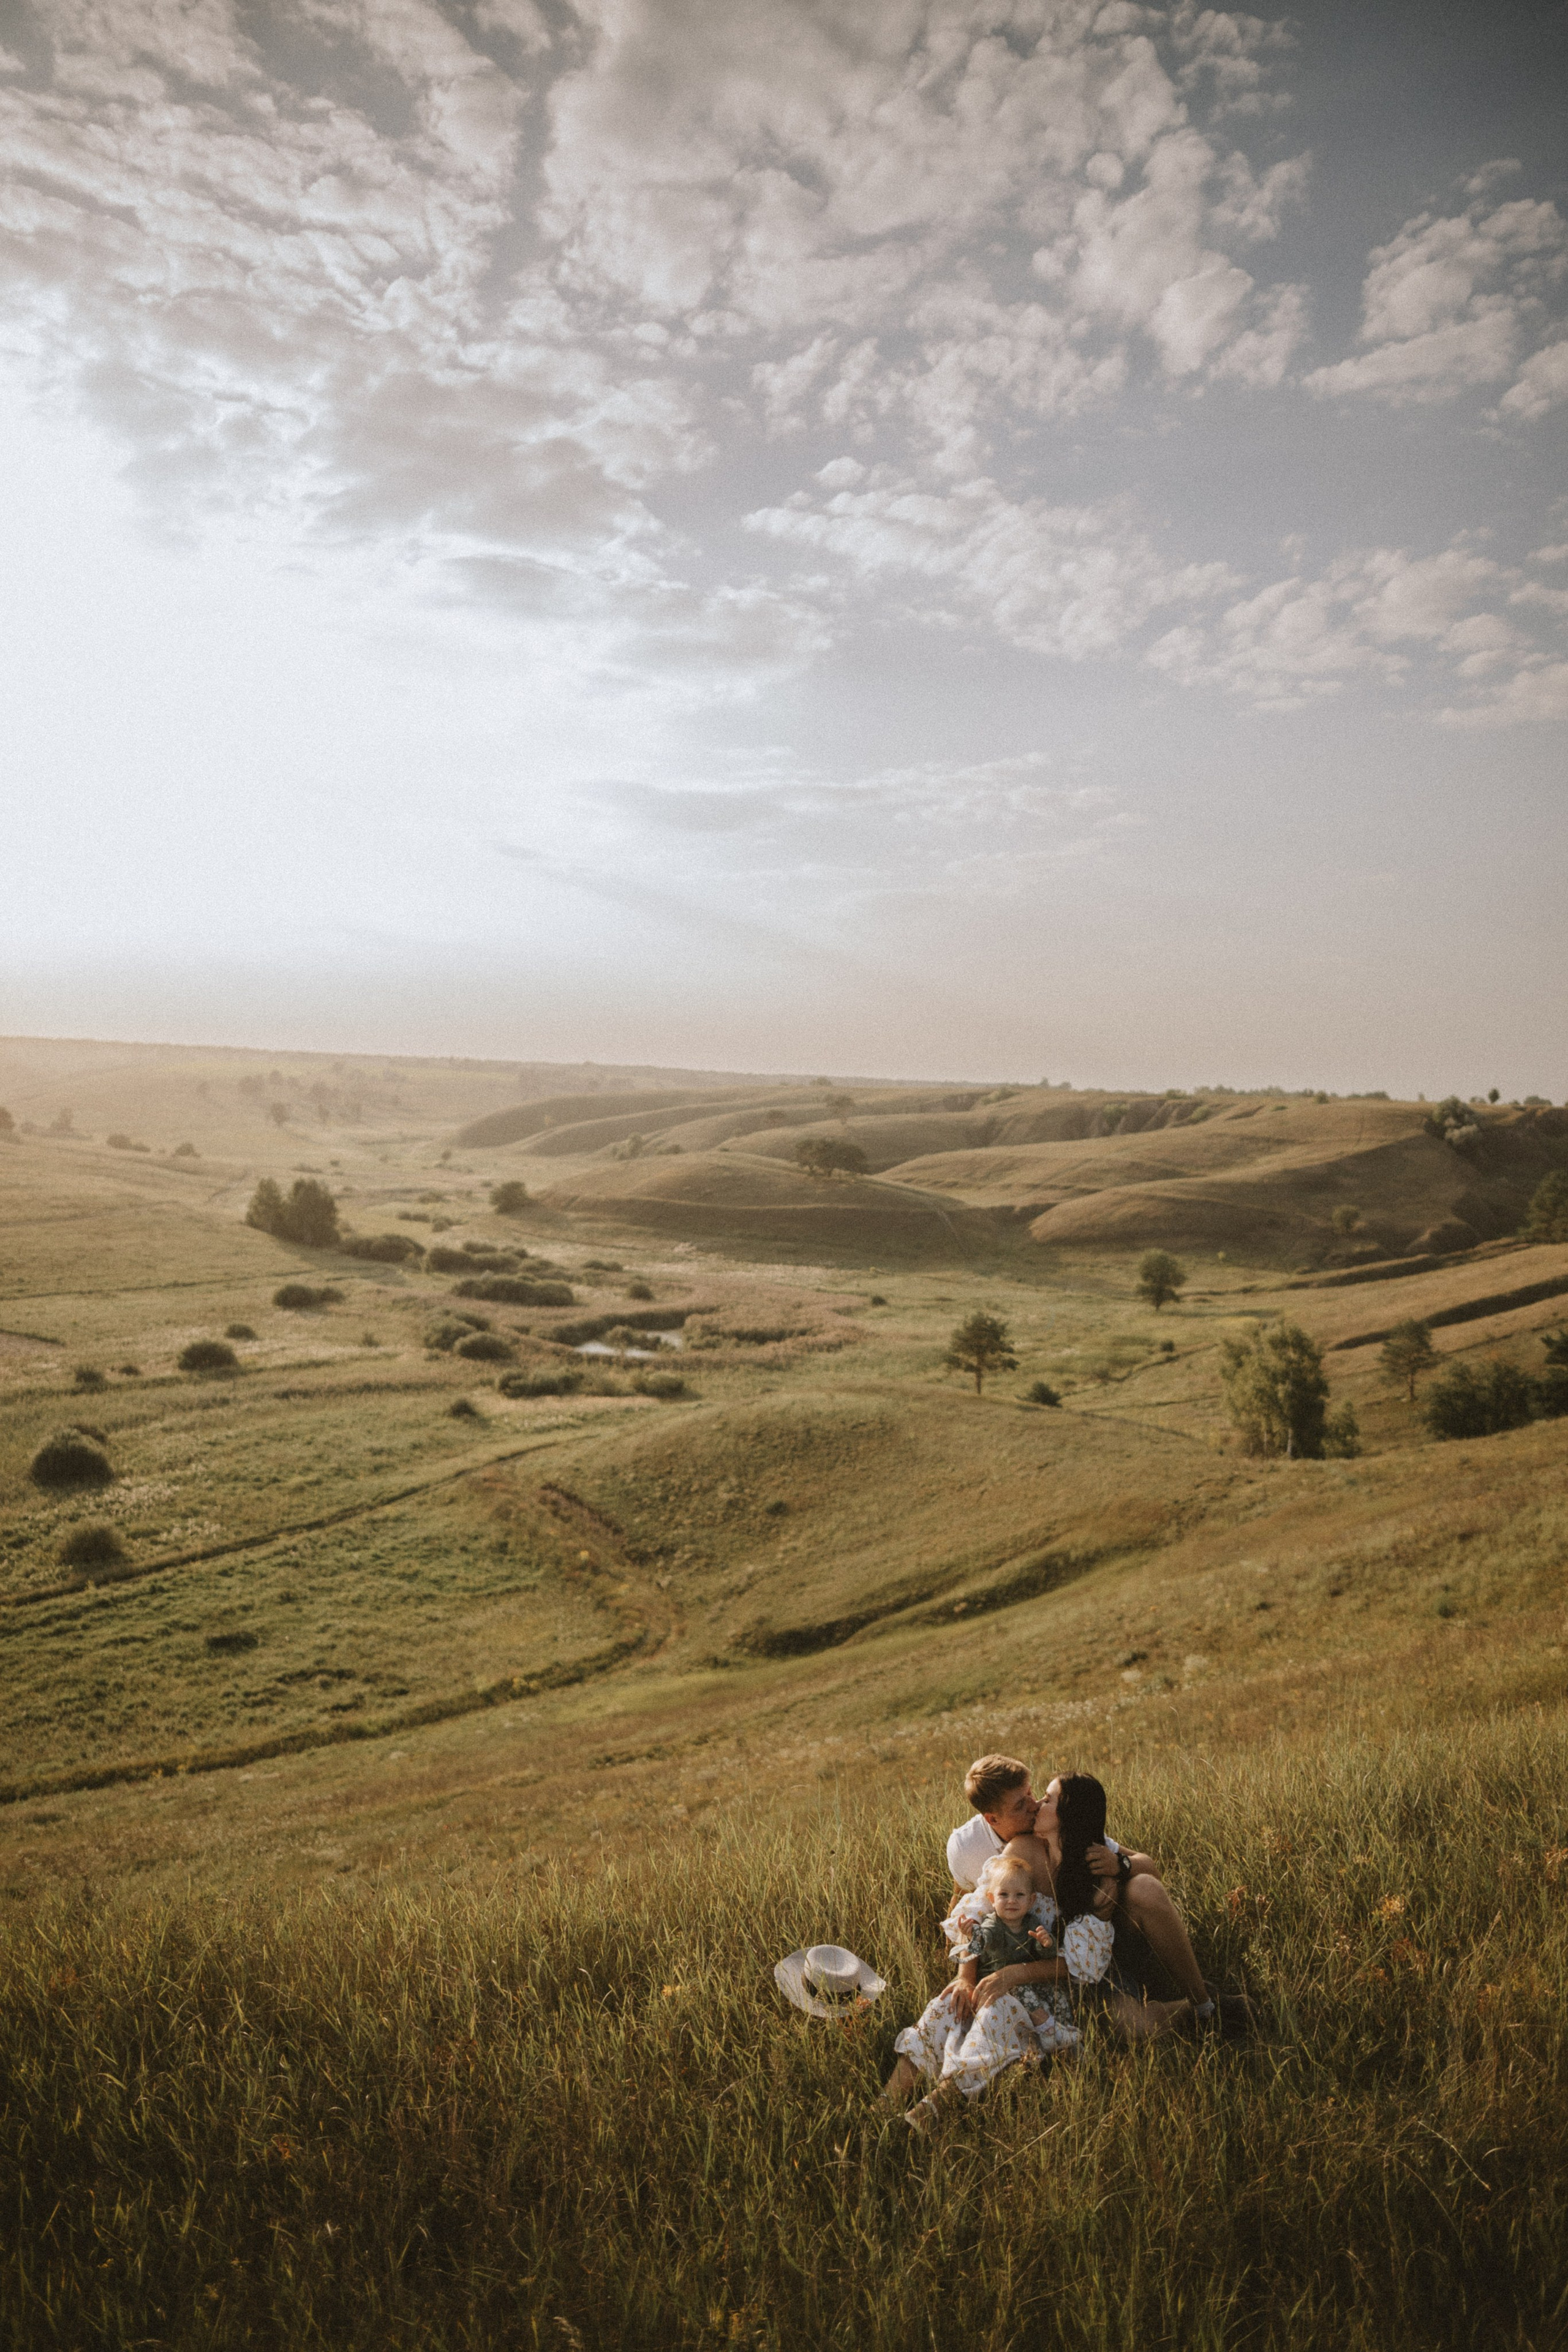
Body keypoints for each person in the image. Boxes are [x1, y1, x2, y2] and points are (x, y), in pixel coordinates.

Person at [949, 1752, 1224, 2027]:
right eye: (1022, 1804)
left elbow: (1150, 1868)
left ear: (1067, 1816)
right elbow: (972, 1909)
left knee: (1144, 1887)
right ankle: (1208, 2009)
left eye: (1037, 1795)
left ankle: (1202, 1999)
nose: (1035, 1805)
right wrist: (966, 1977)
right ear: (993, 1819)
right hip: (1059, 1963)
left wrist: (1119, 1864)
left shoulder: (1085, 1843)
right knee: (1133, 2025)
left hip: (1099, 1946)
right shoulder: (984, 1848)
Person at [881, 1853, 1078, 2133]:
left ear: (1031, 1900)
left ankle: (935, 2106)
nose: (1011, 1901)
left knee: (993, 2014)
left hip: (1025, 1996)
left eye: (1019, 1896)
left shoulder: (1034, 1922)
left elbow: (1056, 1959)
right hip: (986, 1986)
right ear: (992, 1898)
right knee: (944, 2004)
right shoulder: (992, 1922)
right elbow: (982, 1939)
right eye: (1004, 1895)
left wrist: (1045, 1944)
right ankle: (888, 2101)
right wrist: (969, 1946)